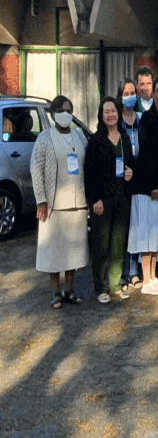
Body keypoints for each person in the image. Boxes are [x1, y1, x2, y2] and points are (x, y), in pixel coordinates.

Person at [31, 95, 90, 308]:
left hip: (77, 203)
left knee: (73, 252)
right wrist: (41, 200)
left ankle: (70, 291)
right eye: (63, 110)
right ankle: (56, 293)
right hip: (54, 205)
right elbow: (36, 169)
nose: (67, 114)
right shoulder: (45, 138)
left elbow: (89, 165)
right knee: (54, 252)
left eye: (70, 110)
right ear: (54, 113)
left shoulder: (79, 136)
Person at [128, 78, 158, 296]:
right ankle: (146, 278)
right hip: (150, 183)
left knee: (157, 228)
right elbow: (147, 154)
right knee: (147, 229)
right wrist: (154, 185)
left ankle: (154, 276)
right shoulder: (147, 119)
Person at [85, 97, 135, 303]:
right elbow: (89, 173)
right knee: (101, 245)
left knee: (118, 244)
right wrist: (94, 199)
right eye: (106, 112)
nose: (111, 115)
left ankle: (115, 285)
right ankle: (101, 288)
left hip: (122, 198)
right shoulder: (95, 141)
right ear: (101, 115)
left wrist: (132, 173)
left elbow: (131, 164)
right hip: (102, 202)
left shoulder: (124, 138)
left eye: (113, 111)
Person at [118, 78, 143, 289]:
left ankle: (134, 270)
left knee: (136, 227)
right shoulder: (115, 121)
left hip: (139, 182)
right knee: (122, 229)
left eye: (132, 92)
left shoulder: (142, 119)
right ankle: (121, 273)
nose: (130, 96)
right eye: (126, 93)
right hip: (121, 184)